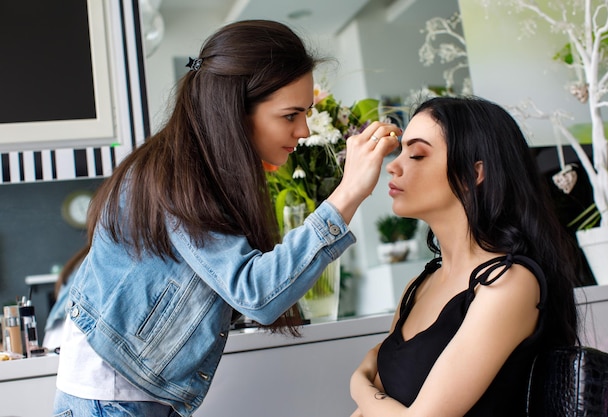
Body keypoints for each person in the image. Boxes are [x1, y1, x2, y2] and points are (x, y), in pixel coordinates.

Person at [52, 20, 401, 417]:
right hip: (112, 397)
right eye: (290, 115)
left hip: (123, 391)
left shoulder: (190, 164)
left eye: (307, 113)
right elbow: (258, 295)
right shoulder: (178, 175)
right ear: (235, 109)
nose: (304, 130)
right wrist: (349, 191)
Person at [350, 96, 581, 417]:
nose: (393, 165)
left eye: (416, 154)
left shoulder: (508, 283)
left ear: (474, 174)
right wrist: (366, 394)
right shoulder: (420, 286)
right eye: (401, 150)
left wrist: (357, 383)